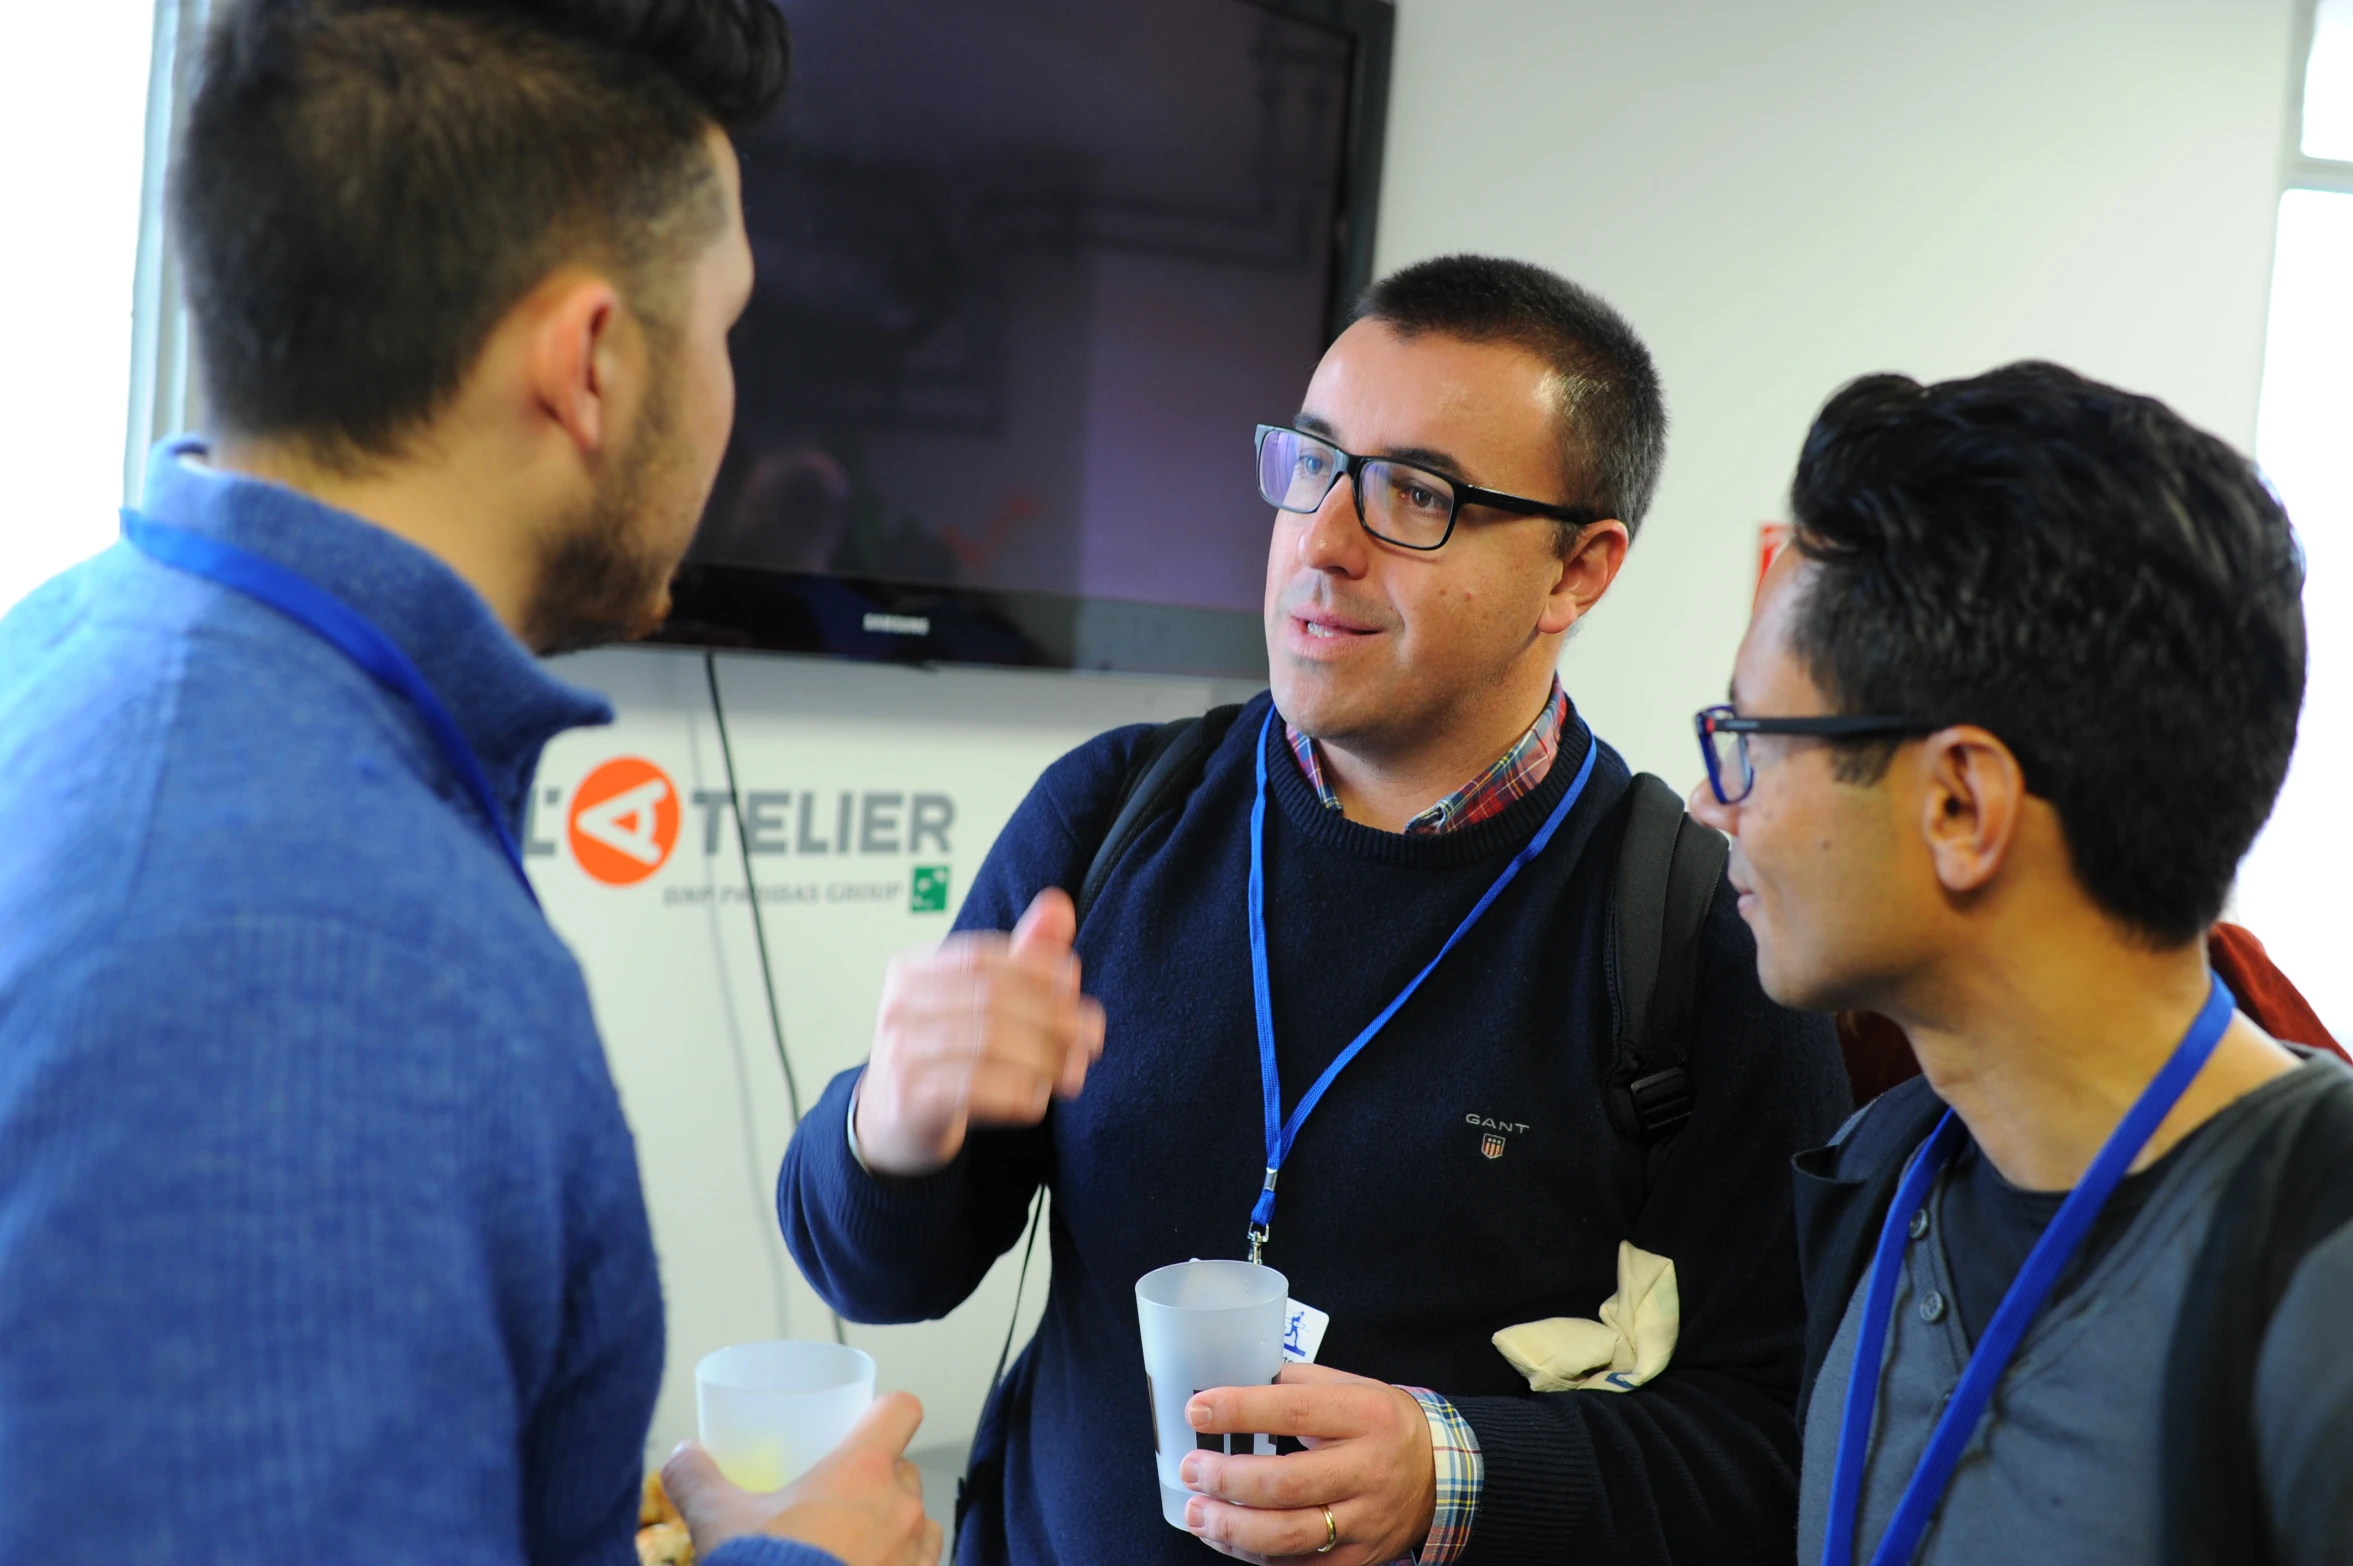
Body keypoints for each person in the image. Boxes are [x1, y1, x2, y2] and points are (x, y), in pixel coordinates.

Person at [0, 3, 935, 1562]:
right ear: (589, 363)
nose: (727, 391)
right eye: (723, 324)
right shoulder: (306, 964)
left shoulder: (79, 647)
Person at [779, 255, 1852, 1564]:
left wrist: (1451, 1473)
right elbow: (882, 1275)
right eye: (1310, 463)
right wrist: (885, 1126)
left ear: (1577, 570)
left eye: (1415, 495)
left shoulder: (1693, 927)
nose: (1322, 540)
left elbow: (1779, 1440)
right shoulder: (1115, 816)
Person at [1685, 362, 2353, 1563]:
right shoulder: (1879, 1178)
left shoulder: (2315, 1263)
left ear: (1959, 803)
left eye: (1751, 741)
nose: (1709, 803)